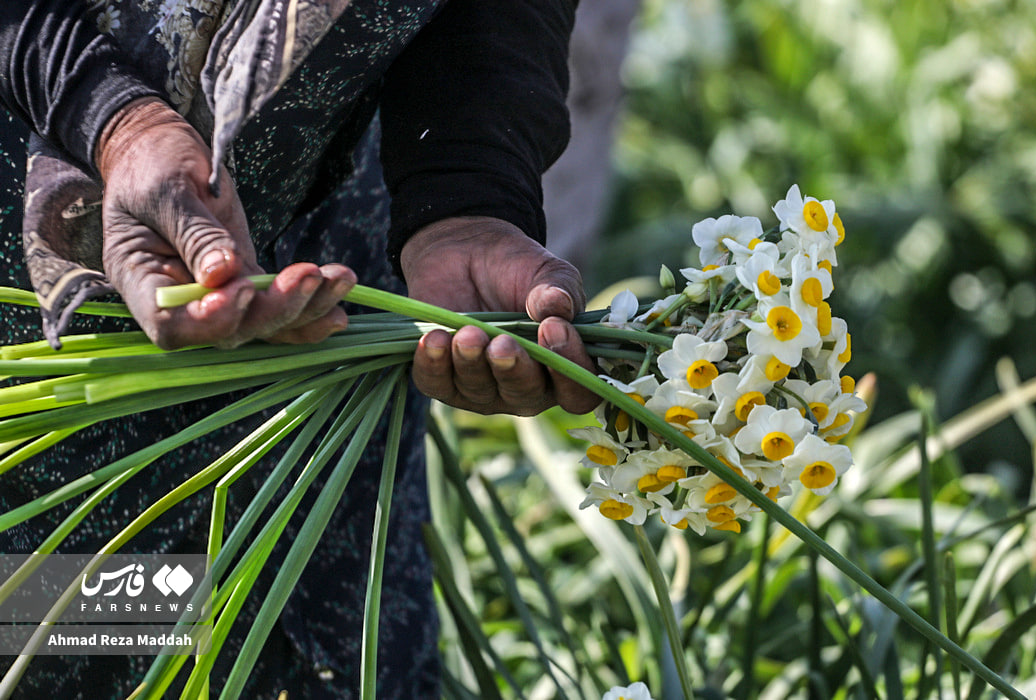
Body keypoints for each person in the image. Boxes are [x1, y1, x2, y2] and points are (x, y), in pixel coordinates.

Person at [0, 1, 597, 696]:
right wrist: (115, 120)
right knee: (77, 625)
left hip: (334, 239)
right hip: (70, 243)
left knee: (341, 628)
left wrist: (464, 195)